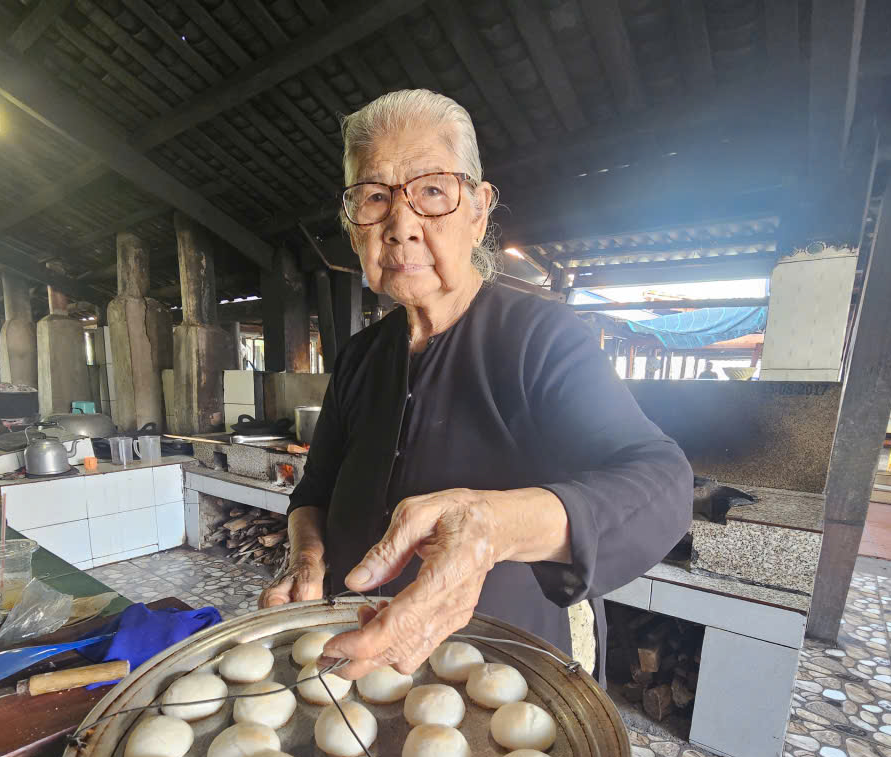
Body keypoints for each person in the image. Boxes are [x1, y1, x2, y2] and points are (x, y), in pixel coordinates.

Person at [259, 90, 693, 679]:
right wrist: (305, 556)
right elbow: (314, 491)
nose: (401, 226)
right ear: (352, 223)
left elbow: (662, 480)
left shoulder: (542, 337)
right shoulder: (360, 356)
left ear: (478, 211)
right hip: (360, 648)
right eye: (375, 197)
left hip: (503, 666)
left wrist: (489, 527)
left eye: (432, 191)